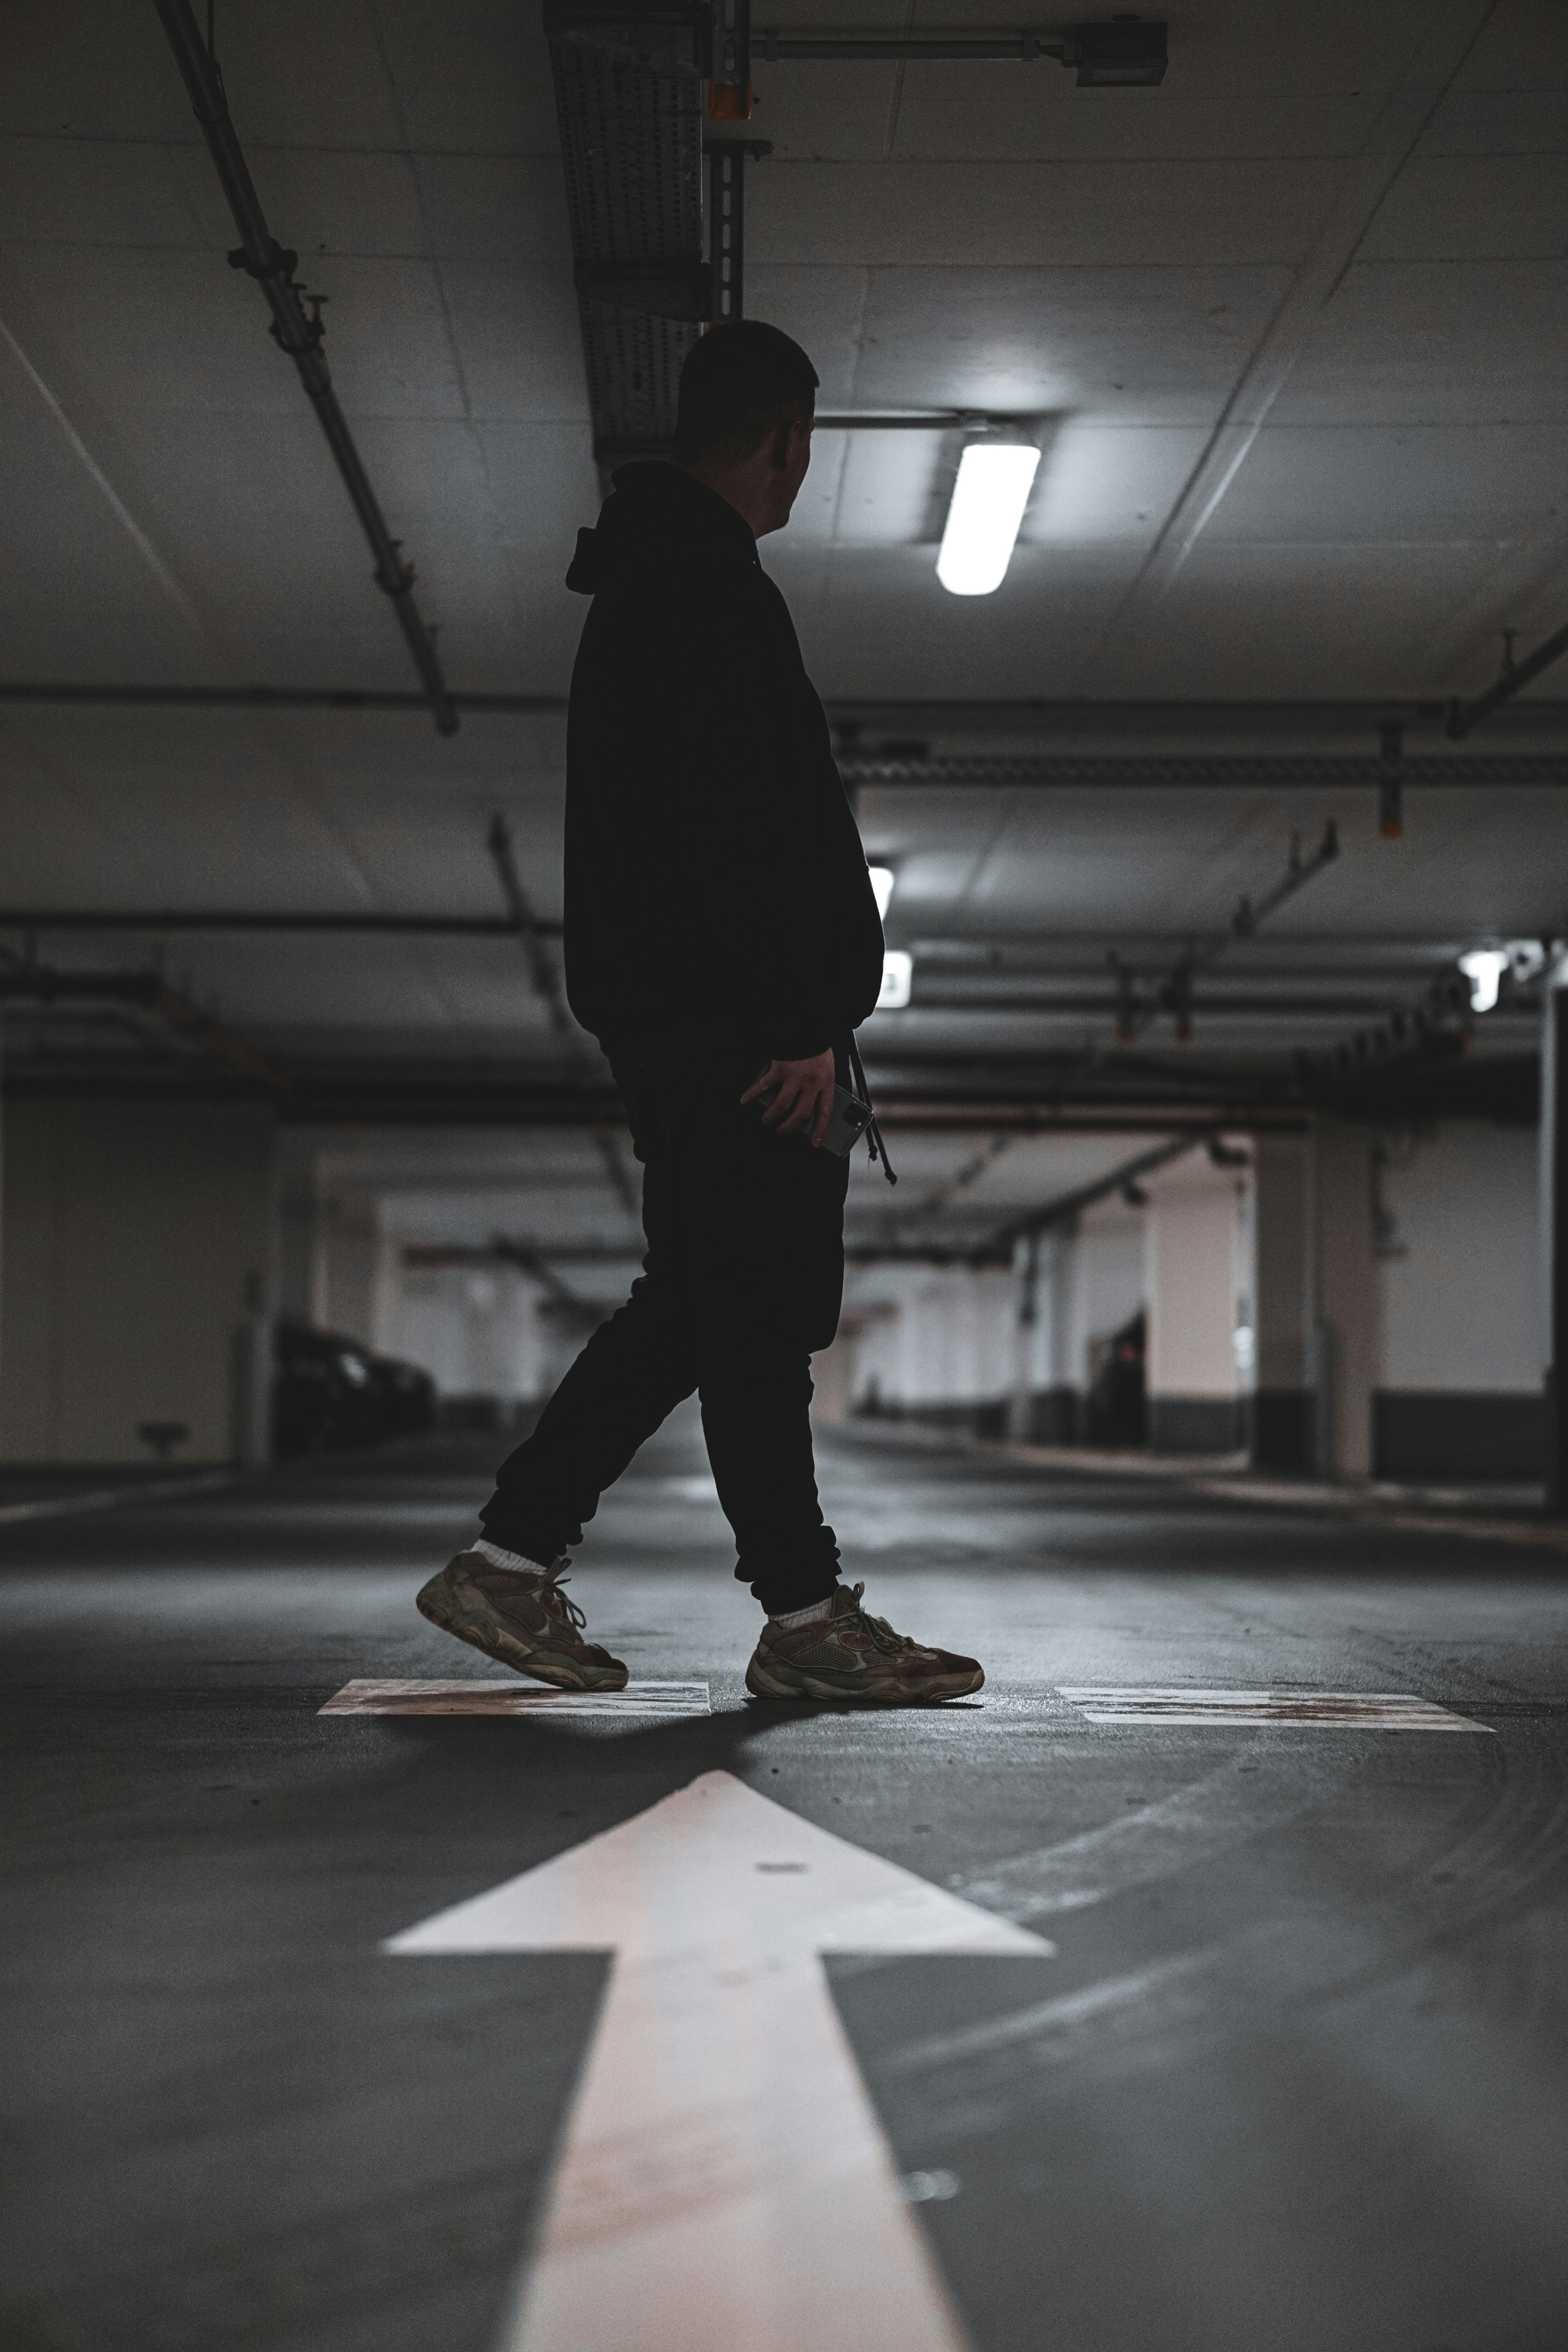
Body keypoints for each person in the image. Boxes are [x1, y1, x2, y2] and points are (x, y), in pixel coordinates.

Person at [416, 321, 984, 1706]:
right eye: (801, 453)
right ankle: (802, 1614)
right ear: (786, 440)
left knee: (700, 1306)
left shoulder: (649, 590)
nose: (798, 477)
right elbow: (747, 829)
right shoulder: (712, 596)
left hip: (685, 1011)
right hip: (740, 1023)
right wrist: (804, 1013)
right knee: (757, 1317)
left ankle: (509, 1561)